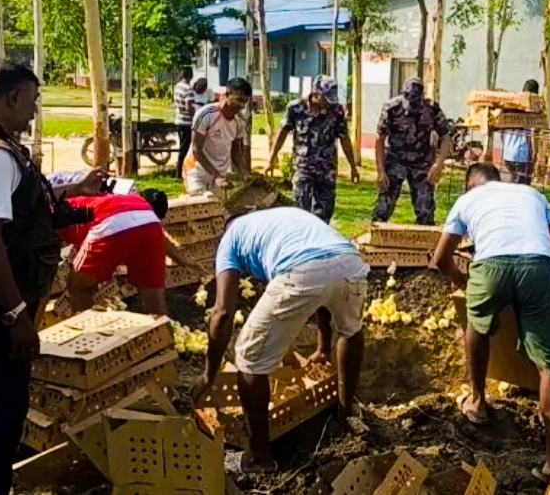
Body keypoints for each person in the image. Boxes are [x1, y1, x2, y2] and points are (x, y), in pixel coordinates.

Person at [0, 62, 106, 494]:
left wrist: (74, 188)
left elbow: (21, 203)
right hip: (1, 303)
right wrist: (17, 314)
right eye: (33, 101)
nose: (35, 112)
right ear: (13, 97)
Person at [431, 163, 550, 482]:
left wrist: (461, 281)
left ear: (471, 185)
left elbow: (440, 258)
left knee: (477, 327)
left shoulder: (468, 200)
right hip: (539, 266)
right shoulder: (532, 194)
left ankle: (477, 401)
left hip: (490, 267)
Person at [198, 207, 367, 472]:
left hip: (302, 270)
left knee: (249, 358)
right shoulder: (283, 218)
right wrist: (323, 347)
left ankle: (258, 458)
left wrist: (209, 373)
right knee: (351, 330)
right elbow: (325, 276)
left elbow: (221, 313)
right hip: (349, 261)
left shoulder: (229, 241)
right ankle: (346, 414)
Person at [57, 188, 206, 315]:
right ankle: (163, 340)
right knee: (155, 303)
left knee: (77, 285)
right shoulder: (107, 198)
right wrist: (187, 262)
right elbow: (160, 238)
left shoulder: (53, 214)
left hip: (111, 220)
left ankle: (87, 336)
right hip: (148, 219)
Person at [265, 75, 360, 222]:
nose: (328, 103)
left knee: (324, 214)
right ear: (315, 94)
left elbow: (344, 138)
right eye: (326, 98)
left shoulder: (336, 111)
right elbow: (282, 133)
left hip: (327, 170)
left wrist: (353, 166)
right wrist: (271, 160)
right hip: (303, 168)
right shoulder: (296, 108)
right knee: (300, 211)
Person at [373, 77, 451, 225]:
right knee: (383, 209)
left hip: (421, 163)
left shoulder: (432, 109)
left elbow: (446, 138)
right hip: (396, 160)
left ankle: (424, 244)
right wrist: (381, 171)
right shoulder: (391, 108)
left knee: (425, 211)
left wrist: (438, 165)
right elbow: (380, 138)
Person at [183, 77, 251, 194]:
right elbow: (196, 150)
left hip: (220, 176)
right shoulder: (206, 114)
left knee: (218, 210)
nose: (242, 106)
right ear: (227, 94)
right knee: (200, 206)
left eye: (244, 102)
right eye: (239, 100)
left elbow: (236, 152)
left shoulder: (240, 121)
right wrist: (216, 176)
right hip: (196, 173)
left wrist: (244, 174)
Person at [501, 79, 540, 184]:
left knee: (510, 186)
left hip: (507, 154)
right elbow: (533, 134)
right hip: (522, 155)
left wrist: (505, 147)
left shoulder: (510, 107)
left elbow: (502, 133)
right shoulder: (533, 111)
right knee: (522, 188)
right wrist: (535, 155)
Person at [174, 67, 196, 178]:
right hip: (187, 122)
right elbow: (189, 106)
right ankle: (179, 172)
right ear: (191, 76)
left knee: (182, 146)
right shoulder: (188, 89)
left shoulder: (177, 86)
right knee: (185, 148)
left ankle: (179, 171)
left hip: (179, 119)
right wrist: (194, 116)